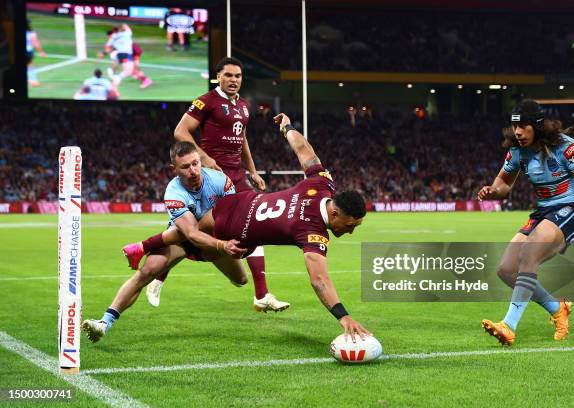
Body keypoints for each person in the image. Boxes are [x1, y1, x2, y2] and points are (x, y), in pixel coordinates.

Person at [124, 113, 372, 339]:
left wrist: (288, 128)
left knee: (192, 237)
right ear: (335, 212)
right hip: (235, 228)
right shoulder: (313, 233)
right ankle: (147, 264)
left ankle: (145, 247)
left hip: (239, 203)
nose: (350, 231)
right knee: (190, 240)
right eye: (350, 226)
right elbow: (319, 280)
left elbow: (303, 149)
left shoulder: (323, 183)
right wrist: (343, 316)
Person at [123, 57, 288, 313]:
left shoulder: (244, 107)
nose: (234, 80)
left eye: (238, 76)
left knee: (253, 227)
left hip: (237, 178)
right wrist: (205, 158)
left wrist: (252, 171)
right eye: (229, 75)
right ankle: (159, 274)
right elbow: (181, 131)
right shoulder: (206, 101)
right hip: (210, 178)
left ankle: (261, 294)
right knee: (196, 230)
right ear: (218, 77)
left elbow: (242, 139)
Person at [82, 141, 247, 343]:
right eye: (186, 167)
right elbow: (191, 234)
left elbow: (233, 218)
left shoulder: (220, 181)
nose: (193, 170)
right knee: (145, 272)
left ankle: (154, 260)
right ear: (174, 169)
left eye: (195, 163)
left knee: (241, 280)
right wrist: (223, 246)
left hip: (214, 239)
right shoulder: (173, 192)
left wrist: (222, 243)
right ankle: (104, 323)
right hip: (183, 240)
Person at [478, 99, 574, 346]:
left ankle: (509, 326)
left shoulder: (566, 147)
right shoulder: (517, 152)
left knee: (528, 254)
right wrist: (492, 191)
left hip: (571, 209)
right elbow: (503, 184)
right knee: (506, 269)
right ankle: (557, 308)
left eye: (523, 126)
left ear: (537, 126)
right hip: (543, 212)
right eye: (515, 127)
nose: (518, 132)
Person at [26, 19, 46, 87]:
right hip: (28, 52)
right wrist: (41, 52)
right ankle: (33, 81)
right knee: (29, 65)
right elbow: (35, 44)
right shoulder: (31, 33)